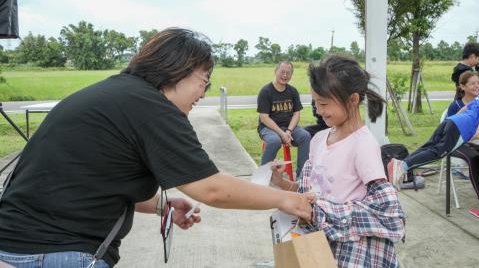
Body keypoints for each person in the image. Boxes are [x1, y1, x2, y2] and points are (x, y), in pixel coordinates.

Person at [0, 28, 314, 268]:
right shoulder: (153, 107)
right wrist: (293, 201)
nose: (202, 94)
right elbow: (212, 189)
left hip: (17, 243)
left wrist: (162, 205)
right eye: (203, 81)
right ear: (179, 70)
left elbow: (90, 181)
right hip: (57, 251)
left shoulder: (117, 93)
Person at [271, 55, 405, 267]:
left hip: (346, 248)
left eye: (323, 103)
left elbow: (386, 209)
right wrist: (282, 183)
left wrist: (319, 211)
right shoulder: (319, 140)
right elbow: (314, 189)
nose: (318, 110)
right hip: (317, 241)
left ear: (352, 100)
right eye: (315, 102)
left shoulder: (363, 145)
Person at [389, 68, 479, 202]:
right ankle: (402, 166)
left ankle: (400, 164)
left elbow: (466, 108)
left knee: (429, 147)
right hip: (461, 127)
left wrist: (453, 120)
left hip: (451, 121)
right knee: (438, 152)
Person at [446, 71, 479, 219]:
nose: (477, 86)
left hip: (478, 141)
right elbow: (450, 126)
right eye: (472, 84)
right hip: (459, 143)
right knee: (474, 157)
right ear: (462, 87)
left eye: (478, 83)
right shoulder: (456, 105)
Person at [257, 61, 311, 177]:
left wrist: (289, 131)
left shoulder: (293, 91)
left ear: (291, 75)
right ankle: (262, 176)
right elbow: (264, 118)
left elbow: (296, 114)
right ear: (275, 71)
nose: (285, 75)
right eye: (282, 72)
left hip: (289, 128)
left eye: (288, 73)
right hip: (268, 128)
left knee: (305, 136)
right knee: (274, 141)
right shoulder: (266, 91)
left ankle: (302, 177)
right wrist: (282, 133)